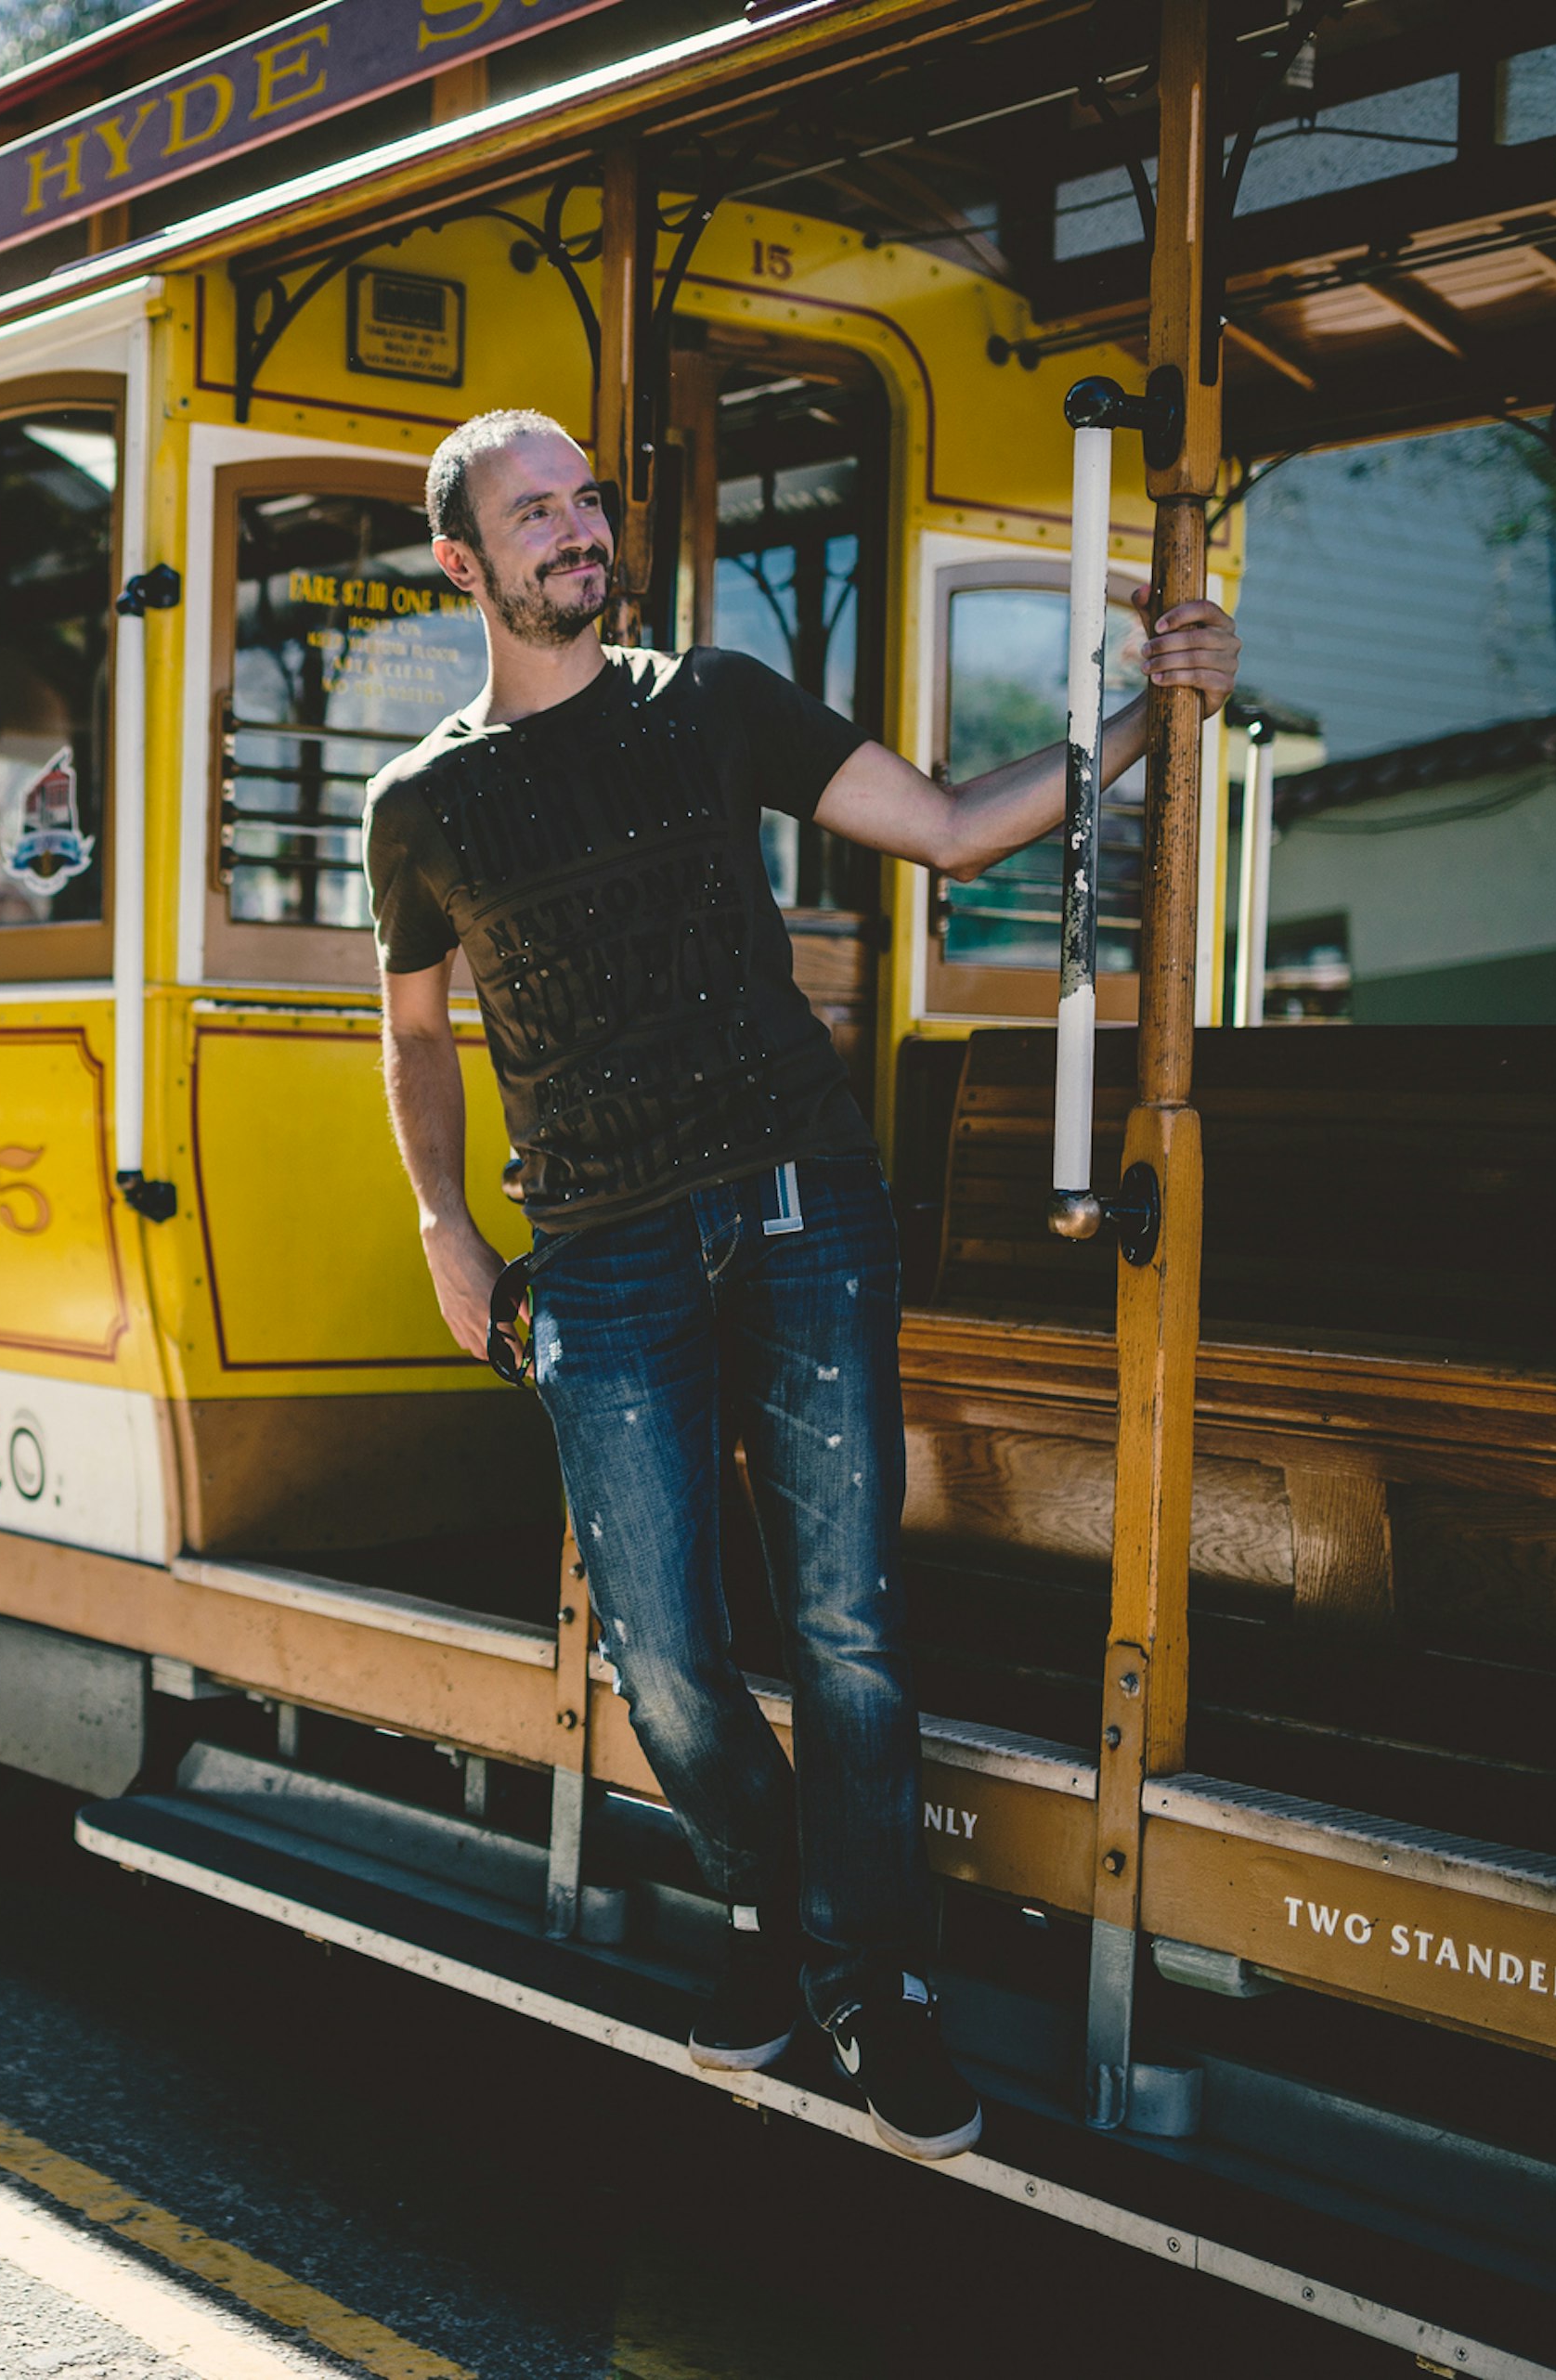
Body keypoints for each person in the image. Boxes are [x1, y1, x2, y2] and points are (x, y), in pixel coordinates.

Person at [368, 408, 1238, 2159]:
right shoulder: (423, 804)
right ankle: (788, 1922)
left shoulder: (713, 703)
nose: (576, 529)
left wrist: (1164, 710)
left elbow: (955, 826)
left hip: (798, 1204)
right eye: (531, 513)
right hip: (599, 1252)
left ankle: (874, 1979)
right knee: (669, 1657)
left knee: (848, 1632)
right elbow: (409, 1038)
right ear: (461, 562)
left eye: (586, 500)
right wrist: (447, 1228)